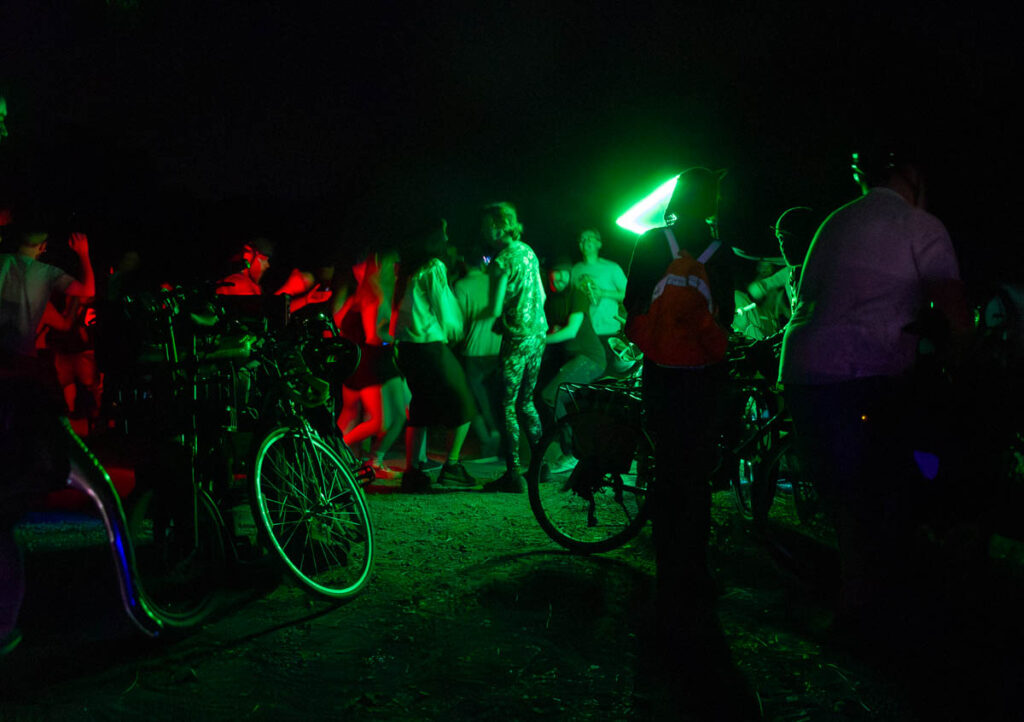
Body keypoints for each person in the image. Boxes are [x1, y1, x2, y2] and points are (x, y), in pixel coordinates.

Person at [779, 149, 971, 631]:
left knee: (843, 494)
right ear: (912, 177)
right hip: (862, 369)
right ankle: (879, 602)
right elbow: (955, 311)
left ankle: (856, 596)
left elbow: (812, 293)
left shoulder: (836, 221)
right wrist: (967, 355)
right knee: (896, 478)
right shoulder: (919, 225)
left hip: (803, 369)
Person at [624, 167, 736, 636]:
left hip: (661, 376)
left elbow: (632, 307)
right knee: (698, 474)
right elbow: (725, 318)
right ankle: (697, 572)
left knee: (665, 468)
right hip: (704, 378)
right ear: (711, 201)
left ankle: (666, 571)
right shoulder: (721, 253)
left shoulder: (651, 242)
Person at [1, 218, 98, 656]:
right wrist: (84, 255)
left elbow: (63, 321)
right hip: (23, 373)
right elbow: (85, 293)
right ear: (41, 249)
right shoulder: (43, 273)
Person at [393, 219, 478, 491]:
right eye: (444, 235)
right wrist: (456, 327)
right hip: (429, 345)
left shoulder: (406, 269)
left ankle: (412, 472)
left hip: (406, 347)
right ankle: (451, 466)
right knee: (464, 400)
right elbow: (445, 308)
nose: (447, 239)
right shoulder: (433, 266)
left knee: (421, 406)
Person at [482, 202, 547, 493]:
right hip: (538, 334)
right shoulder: (529, 252)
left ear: (497, 226)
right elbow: (542, 297)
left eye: (486, 225)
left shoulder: (501, 261)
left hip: (516, 338)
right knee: (527, 400)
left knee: (506, 404)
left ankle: (513, 474)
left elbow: (494, 308)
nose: (484, 231)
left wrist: (473, 318)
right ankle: (540, 465)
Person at [332, 248, 408, 479]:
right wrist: (402, 337)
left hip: (360, 360)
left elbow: (338, 322)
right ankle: (333, 453)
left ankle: (341, 457)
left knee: (355, 415)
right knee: (378, 420)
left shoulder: (366, 292)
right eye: (394, 263)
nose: (398, 268)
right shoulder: (374, 294)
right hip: (370, 361)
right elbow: (374, 336)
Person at [540, 255, 605, 422]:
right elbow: (554, 329)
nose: (561, 276)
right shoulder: (550, 300)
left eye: (565, 272)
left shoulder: (577, 294)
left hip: (590, 359)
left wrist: (539, 341)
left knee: (550, 396)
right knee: (546, 395)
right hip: (572, 359)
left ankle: (565, 444)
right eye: (557, 272)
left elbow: (570, 331)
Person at [453, 247, 504, 461]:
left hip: (474, 349)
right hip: (498, 346)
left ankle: (488, 439)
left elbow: (459, 320)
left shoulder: (461, 285)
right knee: (496, 396)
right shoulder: (494, 281)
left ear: (464, 263)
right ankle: (500, 438)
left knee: (473, 398)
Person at [571, 229, 627, 365]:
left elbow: (628, 295)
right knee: (589, 376)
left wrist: (603, 293)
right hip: (584, 333)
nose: (586, 241)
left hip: (609, 330)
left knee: (610, 377)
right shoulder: (575, 270)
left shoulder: (612, 268)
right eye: (582, 239)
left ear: (599, 244)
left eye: (591, 238)